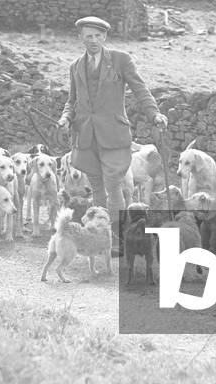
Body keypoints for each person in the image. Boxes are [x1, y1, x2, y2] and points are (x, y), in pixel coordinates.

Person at [57, 16, 167, 256]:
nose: (93, 40)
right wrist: (65, 118)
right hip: (86, 135)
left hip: (114, 135)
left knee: (113, 185)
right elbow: (71, 101)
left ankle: (119, 239)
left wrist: (155, 114)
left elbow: (140, 89)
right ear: (81, 38)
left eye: (98, 36)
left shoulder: (120, 60)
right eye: (88, 36)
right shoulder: (76, 66)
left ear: (104, 37)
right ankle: (101, 238)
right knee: (96, 186)